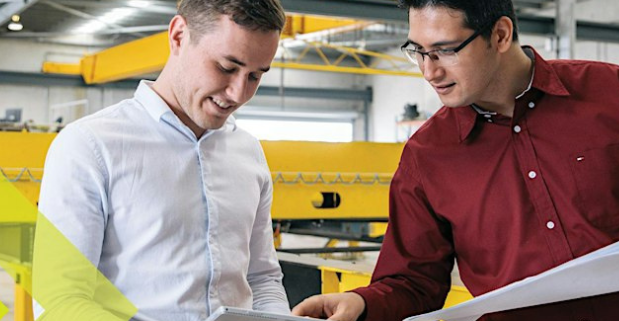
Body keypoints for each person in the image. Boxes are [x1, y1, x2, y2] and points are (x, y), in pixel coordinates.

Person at [292, 0, 619, 320]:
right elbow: (414, 283)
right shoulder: (426, 158)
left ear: (501, 35)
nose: (429, 71)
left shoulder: (609, 94)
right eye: (418, 51)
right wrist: (360, 304)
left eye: (445, 50)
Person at [33, 1, 289, 321]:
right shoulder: (89, 146)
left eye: (255, 76)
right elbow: (60, 300)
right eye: (226, 67)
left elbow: (262, 278)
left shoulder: (247, 151)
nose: (238, 94)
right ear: (179, 36)